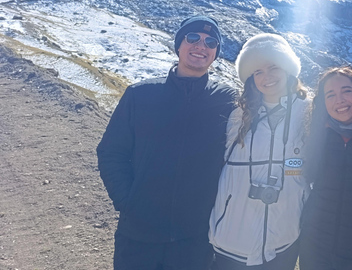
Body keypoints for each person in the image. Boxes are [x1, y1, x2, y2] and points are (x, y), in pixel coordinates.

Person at [97, 15, 238, 270]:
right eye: (192, 38)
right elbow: (111, 152)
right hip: (139, 234)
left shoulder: (226, 100)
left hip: (195, 238)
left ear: (216, 53)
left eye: (210, 42)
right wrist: (128, 202)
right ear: (178, 45)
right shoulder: (140, 95)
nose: (201, 46)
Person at [209, 33, 310, 269]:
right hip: (232, 239)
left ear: (288, 69)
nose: (267, 77)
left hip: (282, 240)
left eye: (273, 67)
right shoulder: (237, 115)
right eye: (257, 72)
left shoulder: (308, 113)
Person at [300, 67, 352, 270]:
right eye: (331, 95)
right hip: (315, 246)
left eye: (346, 91)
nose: (339, 100)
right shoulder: (316, 136)